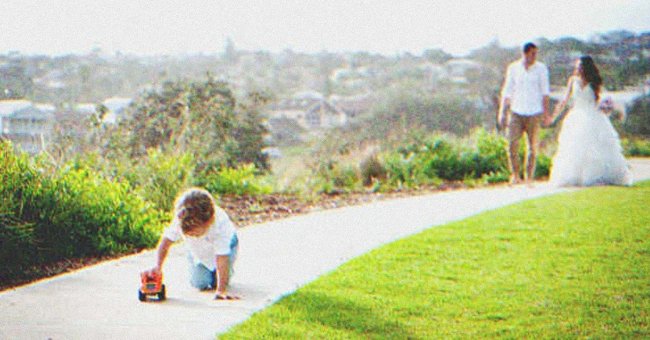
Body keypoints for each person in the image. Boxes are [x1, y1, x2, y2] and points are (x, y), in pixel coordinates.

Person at [546, 56, 633, 187]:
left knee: (595, 148)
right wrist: (553, 117)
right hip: (576, 115)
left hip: (593, 115)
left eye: (581, 67)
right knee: (574, 147)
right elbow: (564, 101)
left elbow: (599, 100)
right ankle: (574, 176)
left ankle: (597, 176)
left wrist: (607, 107)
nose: (578, 69)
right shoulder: (573, 81)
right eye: (577, 67)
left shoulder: (594, 82)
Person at [143, 188, 240, 300]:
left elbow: (222, 257)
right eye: (189, 235)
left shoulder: (220, 227)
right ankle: (207, 269)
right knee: (199, 283)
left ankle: (226, 273)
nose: (193, 236)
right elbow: (165, 242)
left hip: (227, 248)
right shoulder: (180, 220)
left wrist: (221, 290)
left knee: (219, 278)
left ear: (209, 222)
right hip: (197, 250)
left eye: (195, 233)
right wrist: (158, 266)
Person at [498, 42, 551, 184]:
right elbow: (507, 91)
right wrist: (502, 112)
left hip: (534, 112)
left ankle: (529, 177)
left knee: (532, 147)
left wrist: (546, 114)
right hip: (516, 111)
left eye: (536, 54)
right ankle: (515, 175)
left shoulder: (541, 69)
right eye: (532, 53)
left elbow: (545, 93)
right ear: (525, 53)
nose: (535, 56)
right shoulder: (513, 68)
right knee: (512, 144)